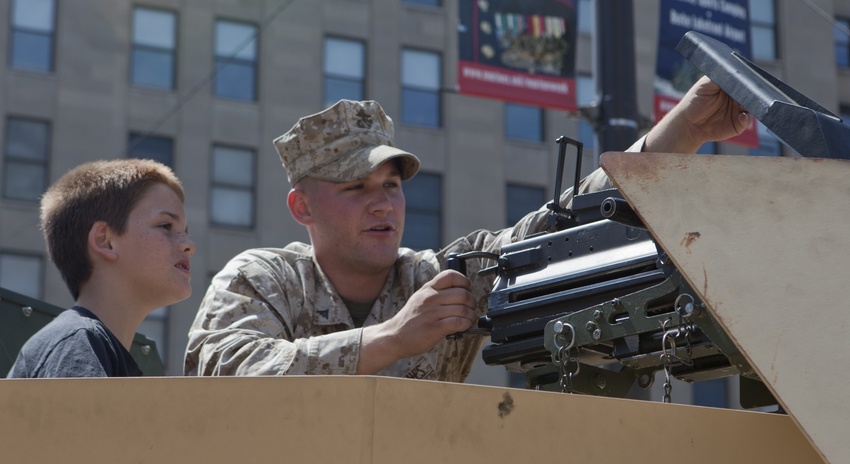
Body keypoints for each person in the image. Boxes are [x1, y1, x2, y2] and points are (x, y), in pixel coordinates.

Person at [185, 76, 750, 379]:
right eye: (356, 188)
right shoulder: (262, 278)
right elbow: (225, 372)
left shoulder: (441, 278)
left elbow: (555, 230)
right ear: (301, 208)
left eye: (391, 185)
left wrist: (682, 132)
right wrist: (388, 340)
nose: (382, 204)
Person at [7, 159, 196, 378]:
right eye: (166, 226)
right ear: (105, 240)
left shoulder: (92, 345)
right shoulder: (77, 343)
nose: (189, 244)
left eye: (185, 231)